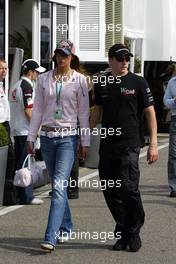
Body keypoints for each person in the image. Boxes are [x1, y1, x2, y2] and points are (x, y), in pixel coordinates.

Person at [90, 43, 158, 252]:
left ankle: (134, 230)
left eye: (127, 59)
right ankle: (123, 229)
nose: (124, 62)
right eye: (120, 59)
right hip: (108, 144)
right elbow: (96, 112)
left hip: (130, 144)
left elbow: (150, 113)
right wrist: (84, 137)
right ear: (110, 60)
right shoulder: (102, 83)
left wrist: (153, 144)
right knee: (110, 189)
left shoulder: (138, 82)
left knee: (128, 187)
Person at [27, 40, 90, 251]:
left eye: (65, 55)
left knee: (60, 187)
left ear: (72, 57)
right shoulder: (44, 79)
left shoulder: (80, 80)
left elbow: (83, 113)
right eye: (58, 55)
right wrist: (31, 136)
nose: (61, 58)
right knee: (57, 186)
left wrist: (85, 141)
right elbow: (36, 110)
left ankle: (50, 237)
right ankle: (67, 226)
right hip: (46, 137)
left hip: (68, 138)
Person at [10, 59, 45, 205]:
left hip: (17, 130)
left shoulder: (16, 85)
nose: (37, 75)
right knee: (25, 164)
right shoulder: (26, 86)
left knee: (20, 163)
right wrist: (36, 128)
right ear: (30, 72)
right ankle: (27, 196)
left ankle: (20, 196)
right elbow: (28, 110)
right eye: (36, 72)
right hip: (25, 130)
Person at [0, 58, 16, 205]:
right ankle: (6, 197)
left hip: (6, 124)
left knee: (10, 160)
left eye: (5, 68)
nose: (4, 71)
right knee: (8, 159)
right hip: (1, 126)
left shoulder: (2, 85)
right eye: (1, 68)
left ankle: (8, 196)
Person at [163, 74, 176, 197]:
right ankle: (174, 187)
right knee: (173, 154)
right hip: (175, 119)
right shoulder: (172, 82)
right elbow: (166, 101)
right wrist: (174, 101)